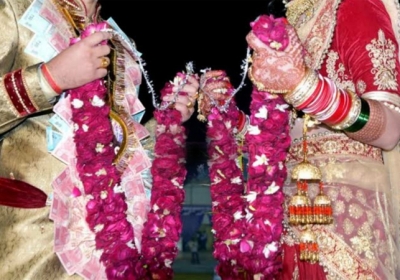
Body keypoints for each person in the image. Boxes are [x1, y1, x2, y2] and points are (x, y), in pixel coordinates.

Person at [0, 0, 198, 279]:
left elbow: (121, 156)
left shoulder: (119, 41)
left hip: (118, 244)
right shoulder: (13, 9)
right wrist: (47, 80)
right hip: (33, 245)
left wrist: (166, 123)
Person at [243, 0, 400, 279]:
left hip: (344, 222)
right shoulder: (284, 26)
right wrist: (230, 119)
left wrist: (305, 88)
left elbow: (391, 129)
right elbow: (279, 138)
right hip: (282, 225)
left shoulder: (356, 6)